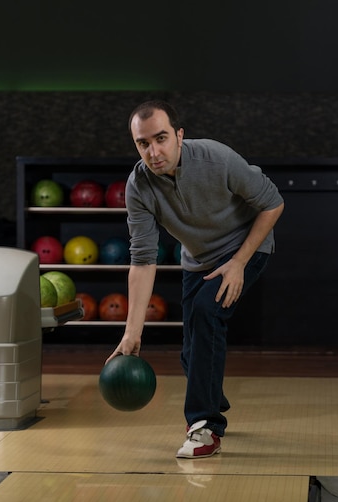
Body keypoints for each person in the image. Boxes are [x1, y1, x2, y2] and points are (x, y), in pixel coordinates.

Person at [106, 100, 284, 459]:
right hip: (198, 259)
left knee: (206, 312)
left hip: (245, 248)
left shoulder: (217, 159)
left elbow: (273, 203)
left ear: (179, 135)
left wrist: (238, 262)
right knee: (191, 353)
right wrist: (132, 333)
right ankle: (210, 389)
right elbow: (142, 261)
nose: (154, 152)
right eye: (143, 143)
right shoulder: (138, 186)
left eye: (161, 138)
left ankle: (205, 426)